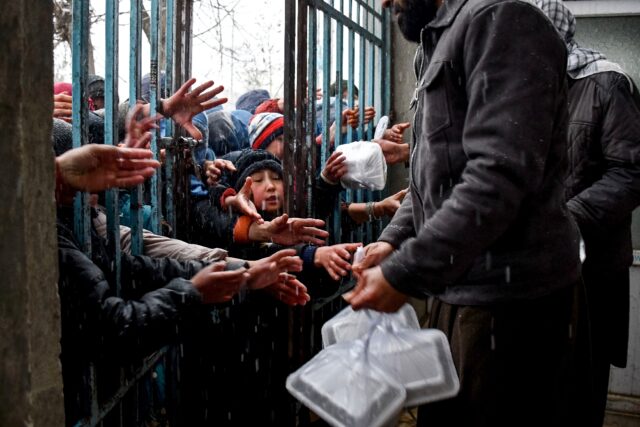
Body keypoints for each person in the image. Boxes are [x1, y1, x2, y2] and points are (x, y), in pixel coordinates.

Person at [345, 0, 581, 426]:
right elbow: (435, 174)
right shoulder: (438, 41)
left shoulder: (501, 21)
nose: (383, 2)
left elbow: (497, 176)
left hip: (510, 304)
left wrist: (404, 272)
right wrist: (391, 242)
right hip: (463, 290)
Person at [534, 1, 640, 425]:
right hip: (533, 274)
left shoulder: (606, 83)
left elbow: (632, 172)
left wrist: (564, 220)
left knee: (580, 392)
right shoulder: (520, 89)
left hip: (589, 273)